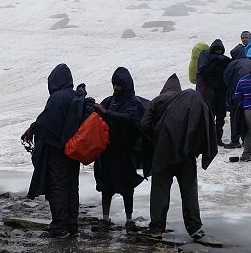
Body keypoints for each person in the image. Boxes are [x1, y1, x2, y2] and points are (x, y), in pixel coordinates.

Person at [139, 74, 218, 241]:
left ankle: (157, 229)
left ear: (165, 88)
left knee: (160, 191)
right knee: (189, 190)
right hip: (186, 154)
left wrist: (157, 136)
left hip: (163, 154)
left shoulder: (157, 101)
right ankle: (195, 229)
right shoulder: (188, 101)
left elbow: (145, 124)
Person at [22, 64, 88, 238]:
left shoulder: (57, 98)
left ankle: (59, 226)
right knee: (72, 186)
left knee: (57, 185)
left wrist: (32, 129)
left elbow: (47, 122)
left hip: (57, 150)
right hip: (73, 150)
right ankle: (72, 225)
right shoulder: (74, 96)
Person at [92, 67, 146, 231]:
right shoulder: (109, 100)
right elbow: (97, 117)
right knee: (105, 185)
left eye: (119, 85)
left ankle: (129, 220)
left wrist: (106, 113)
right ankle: (105, 219)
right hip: (107, 151)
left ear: (127, 85)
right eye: (114, 84)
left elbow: (131, 119)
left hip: (125, 151)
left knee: (126, 186)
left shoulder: (134, 103)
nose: (116, 88)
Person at [196, 39, 230, 145]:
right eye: (217, 50)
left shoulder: (223, 60)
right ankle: (212, 138)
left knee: (217, 115)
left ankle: (215, 138)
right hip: (214, 91)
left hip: (217, 91)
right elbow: (203, 73)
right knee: (214, 115)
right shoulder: (212, 60)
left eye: (220, 50)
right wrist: (216, 63)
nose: (219, 52)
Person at [222, 44, 251, 149]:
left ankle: (235, 141)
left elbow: (226, 78)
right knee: (246, 117)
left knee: (234, 116)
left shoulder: (233, 63)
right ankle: (246, 140)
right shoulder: (250, 62)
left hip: (237, 94)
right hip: (250, 94)